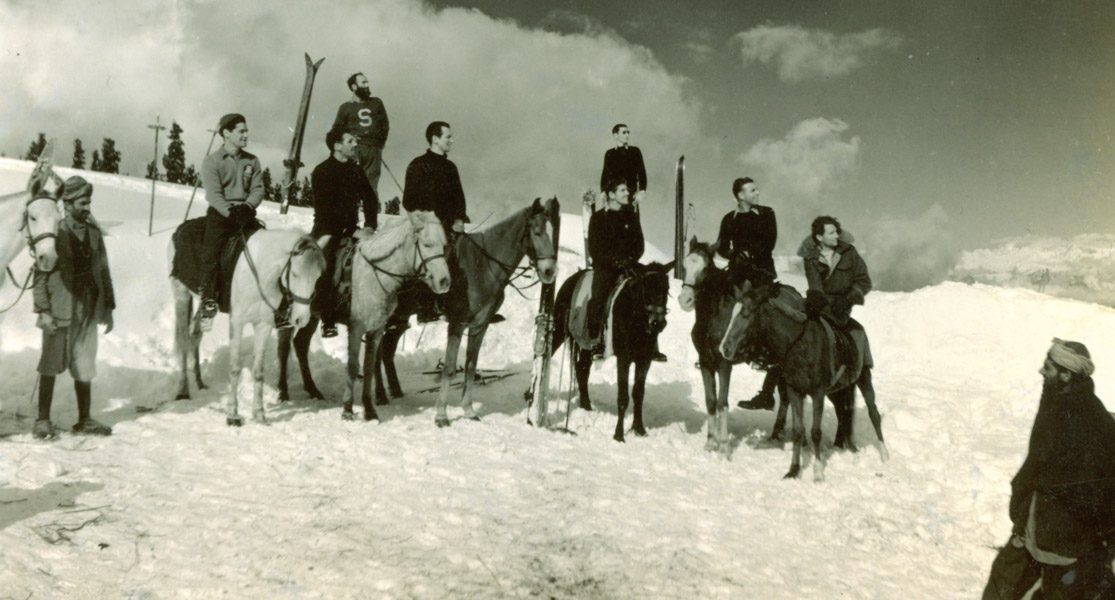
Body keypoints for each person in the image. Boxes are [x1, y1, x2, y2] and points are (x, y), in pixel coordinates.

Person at [983, 339, 1115, 599]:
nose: (1041, 372)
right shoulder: (1058, 400)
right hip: (1037, 519)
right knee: (1004, 578)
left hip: (1062, 533)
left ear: (1066, 375)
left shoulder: (1086, 417)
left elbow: (1094, 484)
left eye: (1048, 368)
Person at [31, 176, 115, 439]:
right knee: (51, 363)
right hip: (59, 309)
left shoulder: (93, 233)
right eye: (81, 202)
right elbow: (40, 276)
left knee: (85, 364)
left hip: (87, 309)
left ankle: (85, 420)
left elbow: (104, 272)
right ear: (67, 204)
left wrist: (108, 307)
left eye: (88, 201)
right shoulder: (55, 232)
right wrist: (43, 310)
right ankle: (43, 420)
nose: (87, 207)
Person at [195, 113, 266, 328]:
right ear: (226, 133)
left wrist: (247, 206)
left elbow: (258, 189)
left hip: (245, 213)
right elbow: (213, 195)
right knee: (212, 251)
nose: (246, 135)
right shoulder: (212, 161)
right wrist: (230, 212)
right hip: (221, 214)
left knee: (265, 248)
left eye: (246, 131)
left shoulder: (252, 160)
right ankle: (208, 299)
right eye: (241, 131)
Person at [715, 177, 780, 410]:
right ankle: (713, 343)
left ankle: (765, 352)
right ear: (740, 195)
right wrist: (733, 254)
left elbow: (769, 242)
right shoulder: (729, 219)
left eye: (756, 189)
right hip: (738, 272)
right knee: (718, 301)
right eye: (752, 190)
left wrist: (749, 253)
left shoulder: (766, 214)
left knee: (764, 308)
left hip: (761, 272)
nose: (757, 193)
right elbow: (721, 246)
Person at [310, 127, 379, 338]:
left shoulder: (356, 171)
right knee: (327, 266)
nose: (355, 145)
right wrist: (351, 230)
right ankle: (328, 318)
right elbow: (326, 210)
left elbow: (370, 198)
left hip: (354, 231)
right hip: (327, 230)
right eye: (350, 141)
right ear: (337, 146)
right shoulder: (322, 171)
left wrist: (370, 226)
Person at [586, 178, 665, 362]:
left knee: (651, 288)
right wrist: (615, 262)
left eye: (627, 190)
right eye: (622, 190)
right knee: (598, 298)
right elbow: (595, 249)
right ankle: (596, 342)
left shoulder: (631, 216)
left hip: (630, 265)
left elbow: (639, 245)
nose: (627, 194)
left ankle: (652, 344)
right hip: (606, 267)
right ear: (611, 194)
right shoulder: (597, 218)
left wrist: (630, 260)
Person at [402, 121, 468, 323]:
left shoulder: (450, 167)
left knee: (465, 258)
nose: (452, 140)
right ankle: (426, 308)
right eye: (448, 136)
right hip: (427, 231)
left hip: (449, 230)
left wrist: (459, 218)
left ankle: (461, 307)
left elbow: (459, 199)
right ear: (435, 139)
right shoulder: (418, 164)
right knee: (430, 261)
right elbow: (409, 201)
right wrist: (425, 219)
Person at [800, 216, 871, 328]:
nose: (836, 236)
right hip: (822, 304)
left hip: (841, 306)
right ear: (819, 237)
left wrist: (847, 300)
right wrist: (815, 298)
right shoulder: (810, 258)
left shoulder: (849, 252)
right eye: (831, 233)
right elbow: (815, 285)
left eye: (836, 232)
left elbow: (864, 281)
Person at [333, 73, 390, 194]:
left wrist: (381, 143)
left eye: (367, 82)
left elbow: (385, 124)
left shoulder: (376, 102)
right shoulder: (345, 107)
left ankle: (369, 210)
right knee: (351, 180)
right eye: (363, 82)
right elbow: (337, 130)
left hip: (373, 148)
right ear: (354, 87)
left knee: (371, 183)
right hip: (354, 147)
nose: (367, 85)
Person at [599, 124, 647, 205]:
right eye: (624, 133)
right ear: (615, 135)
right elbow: (605, 174)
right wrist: (603, 191)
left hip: (630, 194)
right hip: (613, 196)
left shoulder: (635, 151)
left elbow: (642, 173)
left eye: (628, 132)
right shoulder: (609, 153)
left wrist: (642, 191)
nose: (627, 135)